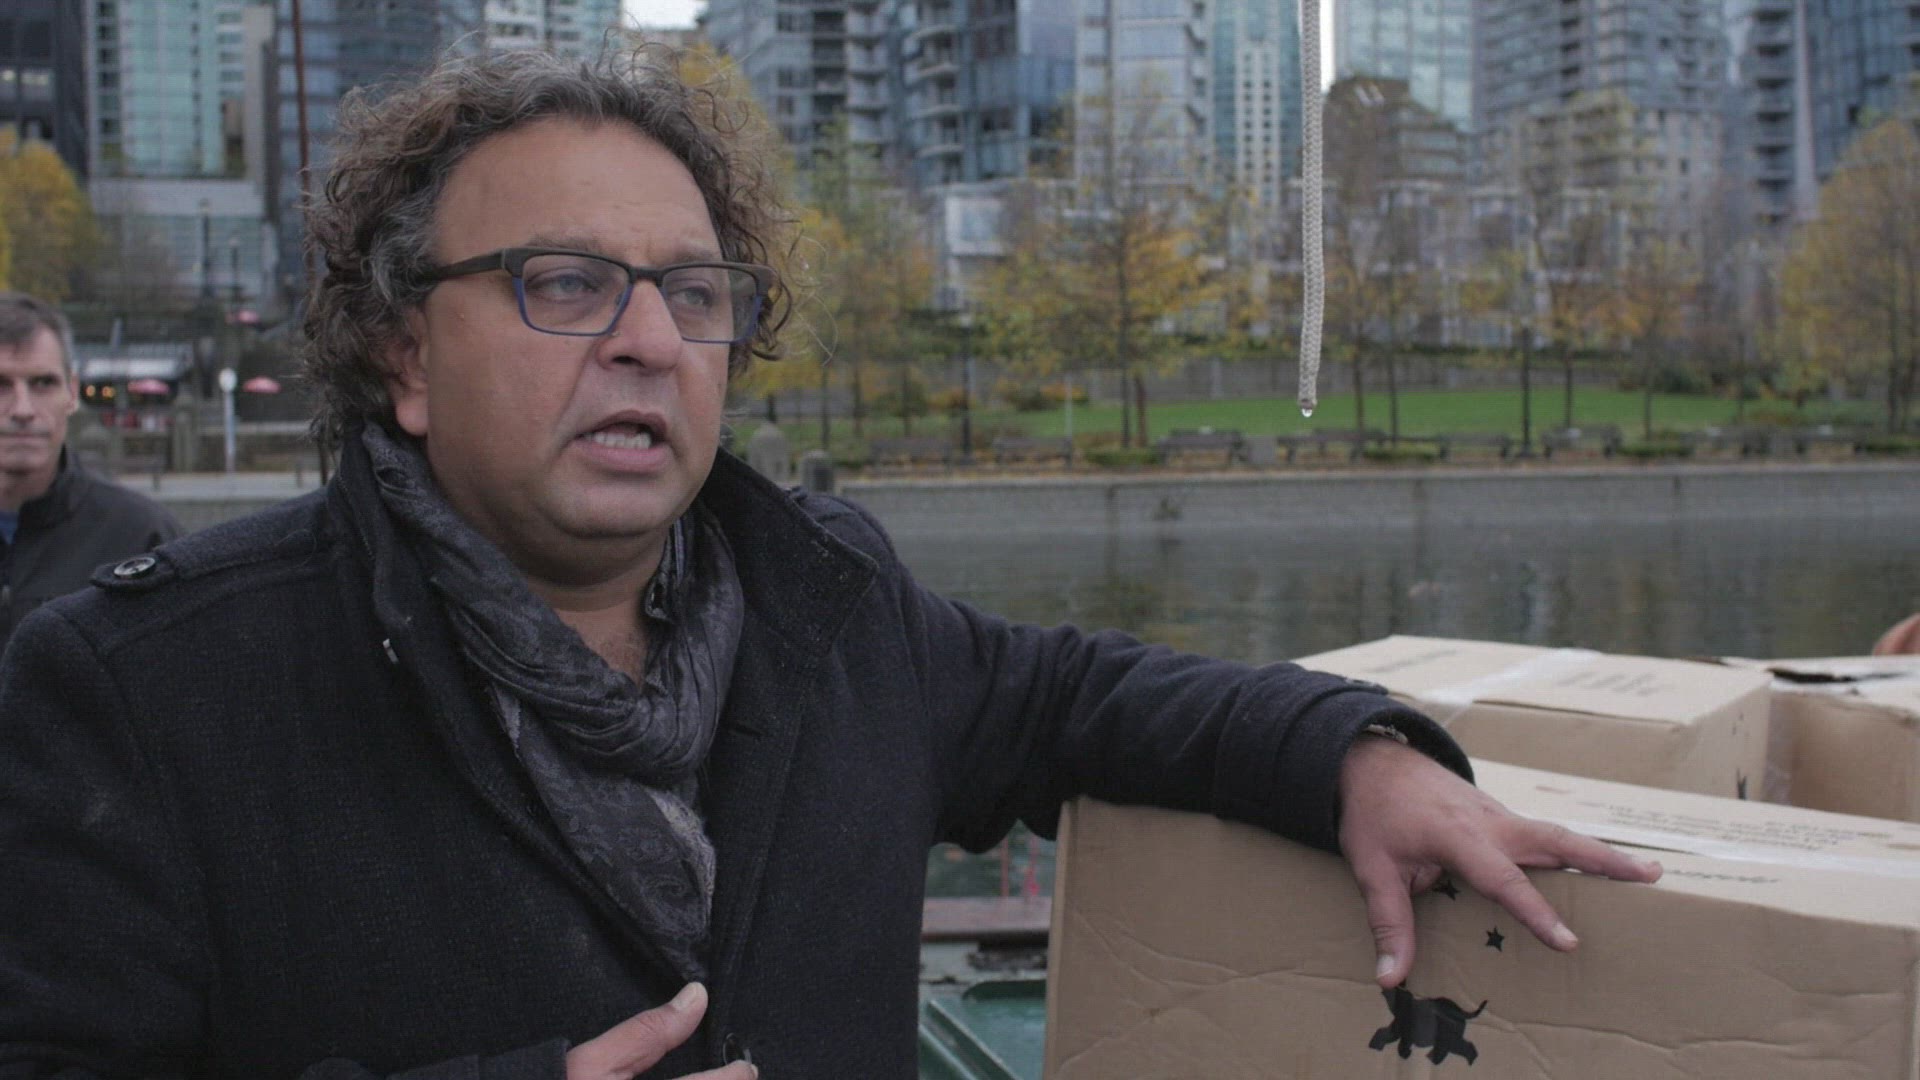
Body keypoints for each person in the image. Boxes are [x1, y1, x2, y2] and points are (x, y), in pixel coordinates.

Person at [0, 48, 1657, 1079]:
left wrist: (1355, 757)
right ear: (402, 355)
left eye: (694, 293)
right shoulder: (144, 693)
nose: (650, 340)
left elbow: (1073, 697)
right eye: (565, 283)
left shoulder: (830, 609)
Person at [0, 291, 180, 655]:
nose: (23, 409)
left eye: (43, 383)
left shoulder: (142, 537)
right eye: (0, 385)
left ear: (72, 392)